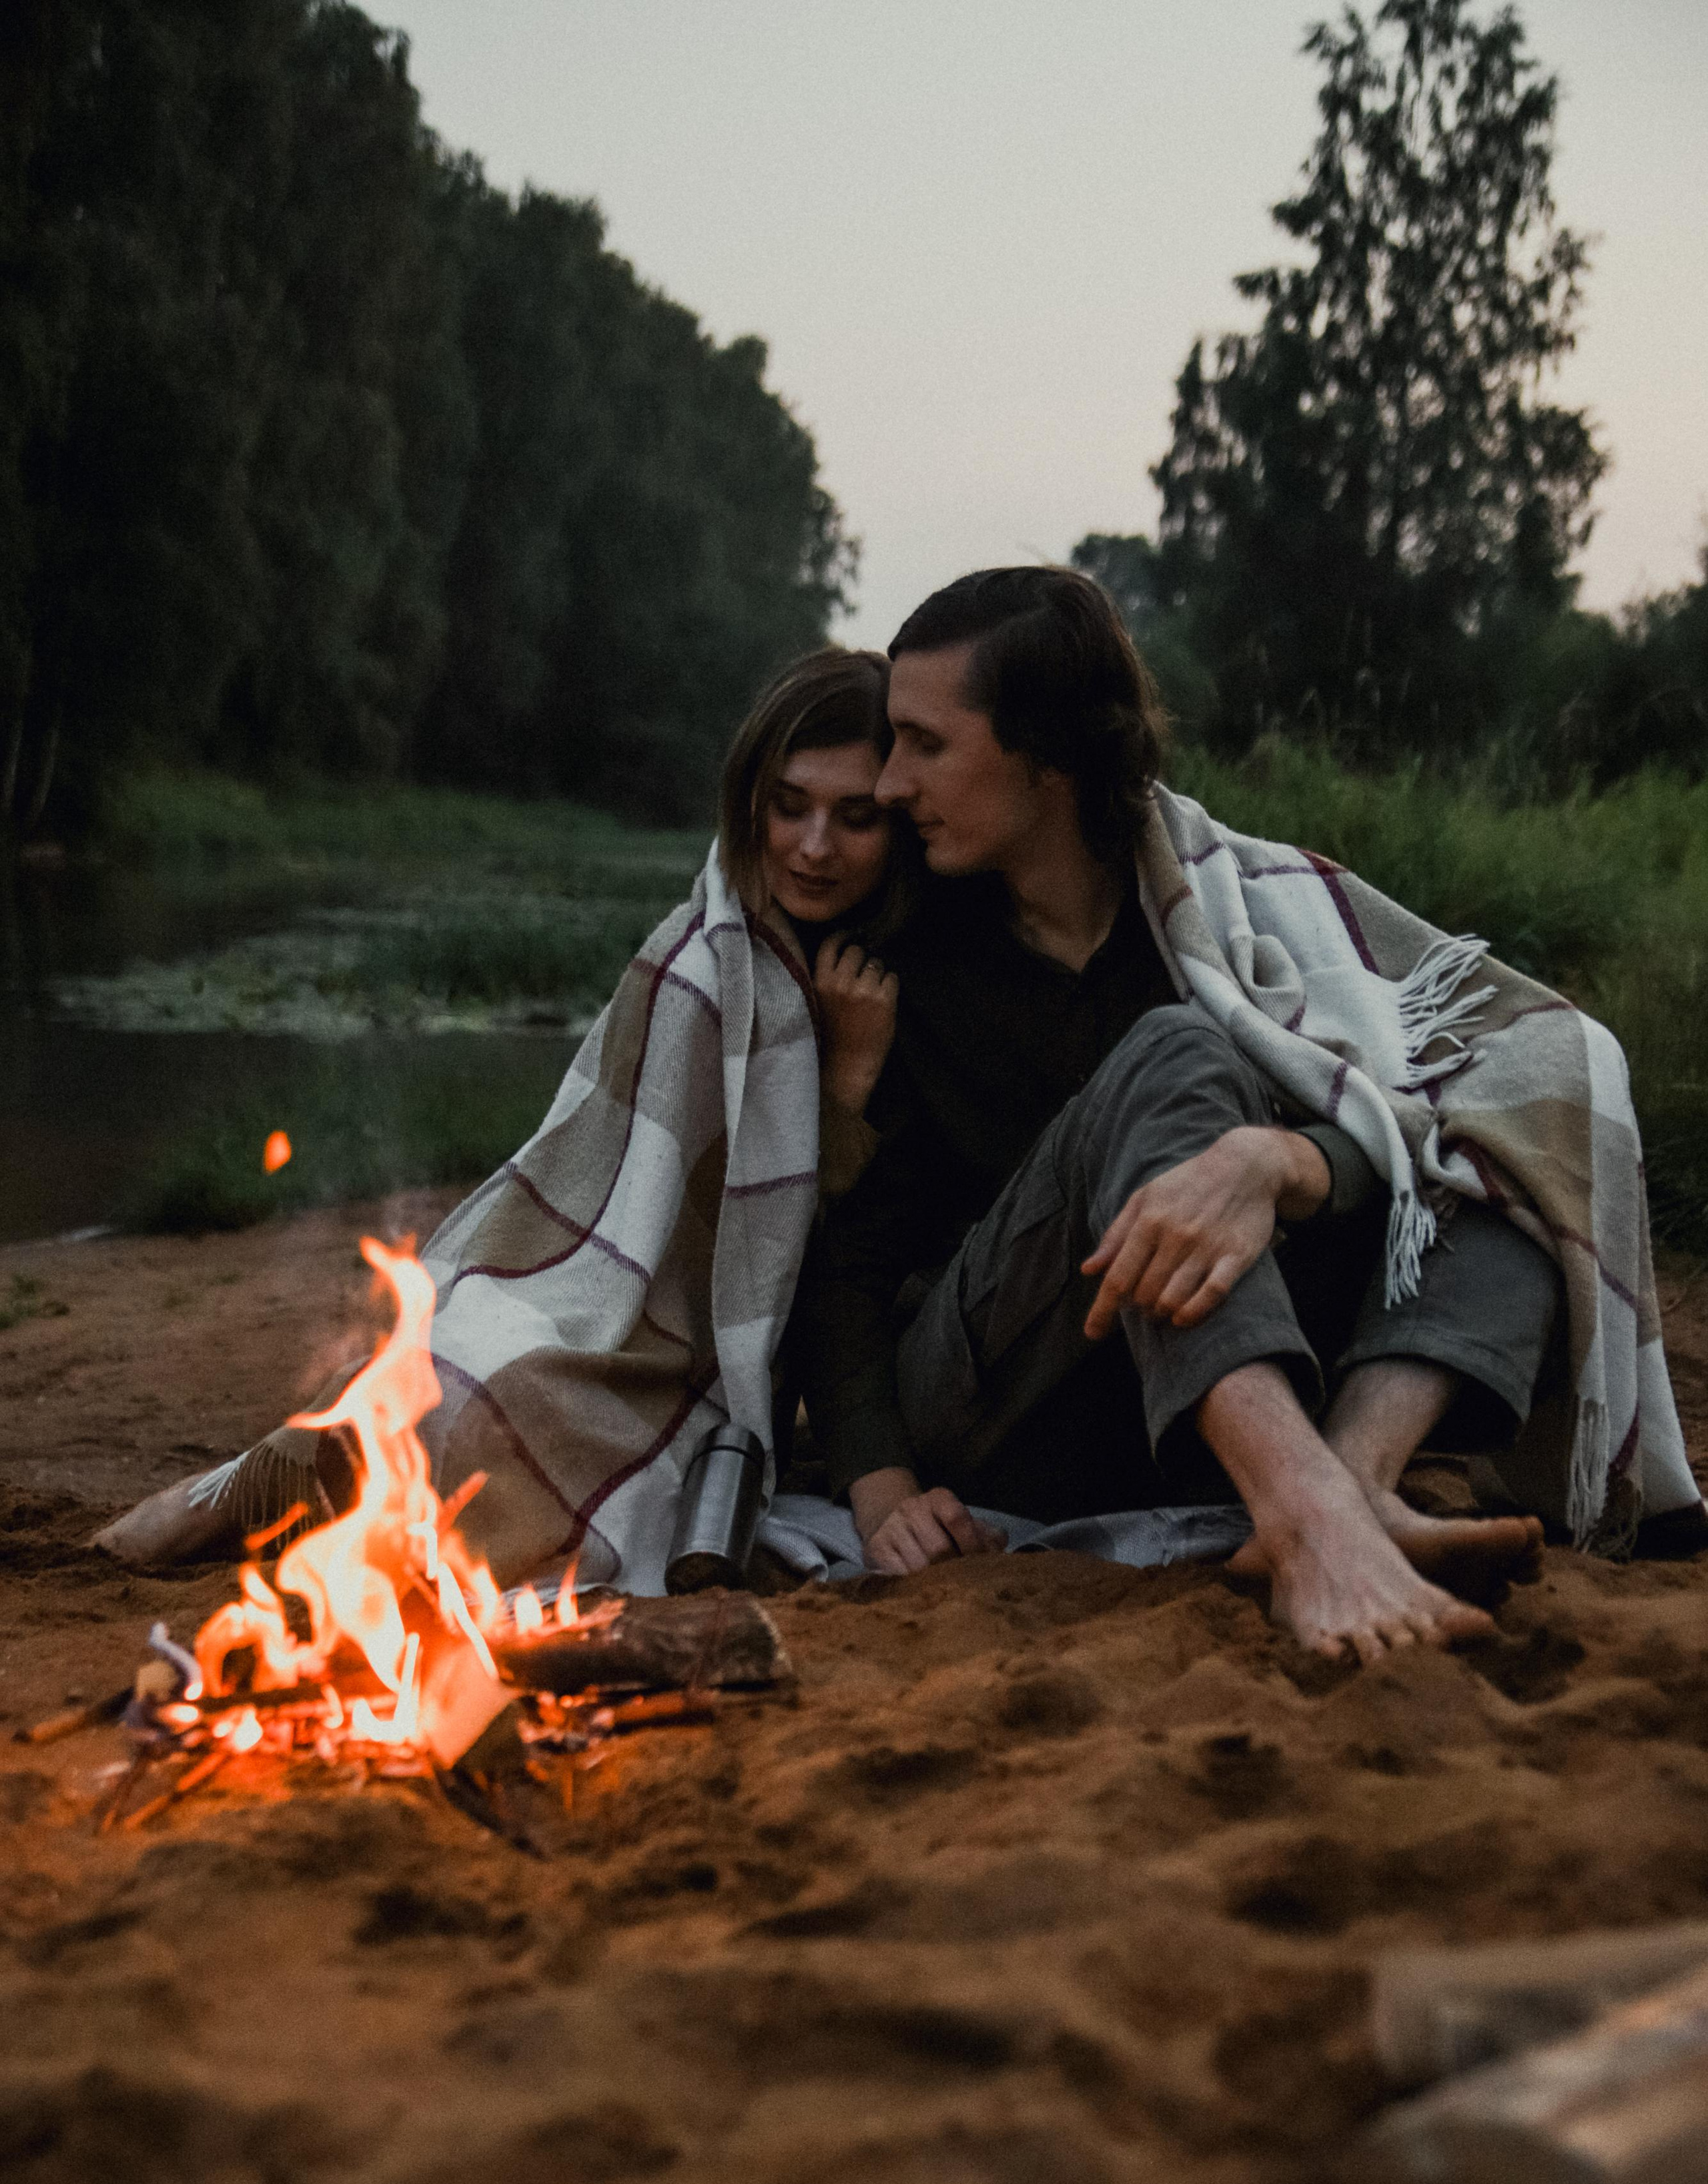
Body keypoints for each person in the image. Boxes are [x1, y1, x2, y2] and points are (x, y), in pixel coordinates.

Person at [803, 567, 1701, 1662]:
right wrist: (883, 1486)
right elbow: (842, 1243)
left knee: (1504, 1130)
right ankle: (1312, 1523)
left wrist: (1286, 1162)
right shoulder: (899, 956)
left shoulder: (1228, 921)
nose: (893, 785)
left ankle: (1358, 1484)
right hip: (999, 1399)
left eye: (925, 745)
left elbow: (1443, 1101)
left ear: (1049, 758)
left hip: (1202, 1396)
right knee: (1176, 1051)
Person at [97, 647, 917, 1588]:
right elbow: (590, 1179)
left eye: (856, 818)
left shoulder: (898, 974)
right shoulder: (700, 959)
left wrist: (848, 1082)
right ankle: (249, 1491)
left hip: (698, 1358)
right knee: (426, 1369)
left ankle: (328, 1528)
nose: (814, 846)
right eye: (791, 805)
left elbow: (815, 1254)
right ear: (750, 802)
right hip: (584, 1293)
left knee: (502, 1412)